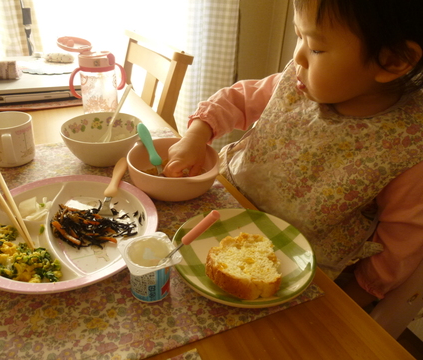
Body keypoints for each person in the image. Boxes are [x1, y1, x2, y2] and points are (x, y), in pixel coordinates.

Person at [163, 0, 423, 307]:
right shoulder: (298, 83)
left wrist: (361, 292)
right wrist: (197, 134)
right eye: (298, 36)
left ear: (391, 60)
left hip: (298, 268)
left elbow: (403, 238)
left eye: (314, 47)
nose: (297, 55)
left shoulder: (409, 143)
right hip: (225, 204)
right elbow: (237, 99)